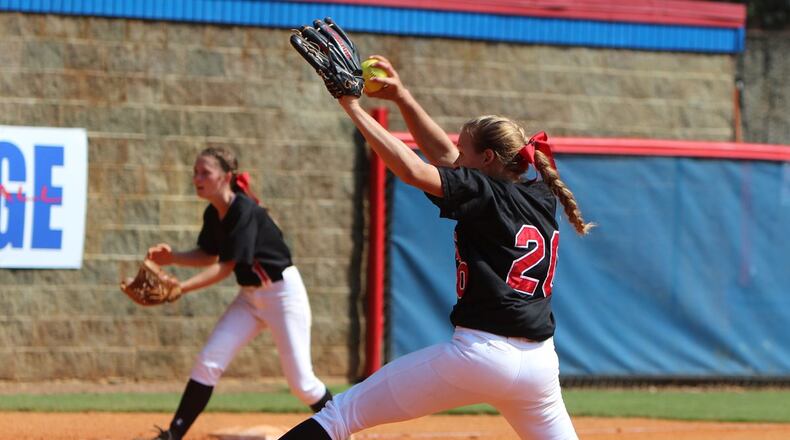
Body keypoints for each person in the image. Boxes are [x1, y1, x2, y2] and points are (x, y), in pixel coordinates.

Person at [279, 56, 593, 440]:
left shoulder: (481, 192)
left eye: (466, 151)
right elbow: (446, 158)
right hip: (539, 366)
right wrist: (403, 98)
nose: (456, 159)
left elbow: (414, 170)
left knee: (339, 416)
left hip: (480, 355)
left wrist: (353, 107)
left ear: (488, 159)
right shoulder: (541, 193)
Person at [142, 147, 332, 440]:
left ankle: (344, 426)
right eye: (195, 172)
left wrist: (181, 287)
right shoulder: (214, 213)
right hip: (250, 297)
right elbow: (208, 254)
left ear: (226, 177)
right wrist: (174, 257)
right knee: (208, 362)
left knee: (302, 383)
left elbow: (225, 267)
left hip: (282, 295)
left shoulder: (244, 211)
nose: (197, 178)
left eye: (205, 172)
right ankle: (172, 435)